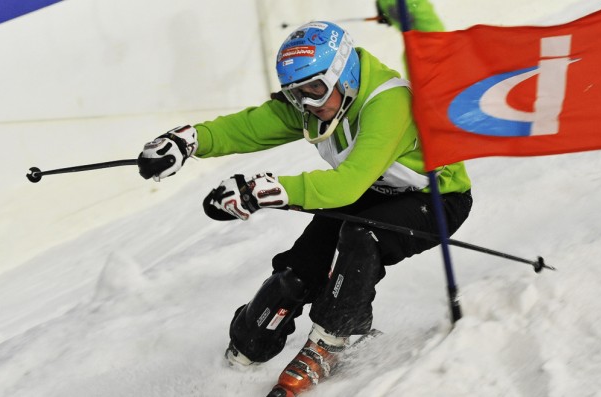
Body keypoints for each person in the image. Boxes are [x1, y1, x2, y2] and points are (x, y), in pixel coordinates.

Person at [136, 19, 472, 397]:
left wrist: (268, 190)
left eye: (315, 89)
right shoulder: (314, 103)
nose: (307, 103)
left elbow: (347, 183)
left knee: (361, 235)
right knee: (300, 269)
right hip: (375, 190)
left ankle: (336, 336)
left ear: (344, 73)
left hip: (435, 199)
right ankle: (251, 340)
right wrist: (189, 141)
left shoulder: (389, 102)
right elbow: (250, 127)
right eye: (296, 94)